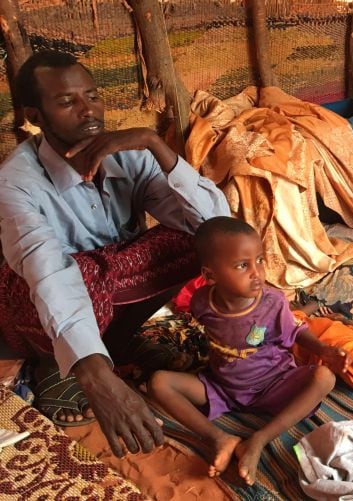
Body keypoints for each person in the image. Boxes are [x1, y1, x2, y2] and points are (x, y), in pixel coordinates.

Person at [0, 51, 230, 455]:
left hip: (104, 289)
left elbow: (215, 227)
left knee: (197, 244)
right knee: (84, 272)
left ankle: (116, 343)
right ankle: (58, 365)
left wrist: (156, 145)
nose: (88, 111)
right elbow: (48, 274)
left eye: (92, 95)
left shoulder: (128, 153)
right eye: (67, 101)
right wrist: (96, 378)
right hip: (32, 306)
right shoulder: (16, 183)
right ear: (35, 114)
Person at [147, 217, 343, 485]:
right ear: (210, 276)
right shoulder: (202, 302)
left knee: (325, 378)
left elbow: (295, 330)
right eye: (242, 265)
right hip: (223, 388)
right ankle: (220, 438)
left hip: (274, 384)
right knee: (159, 382)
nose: (257, 273)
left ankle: (259, 439)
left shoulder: (272, 302)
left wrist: (323, 348)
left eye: (260, 260)